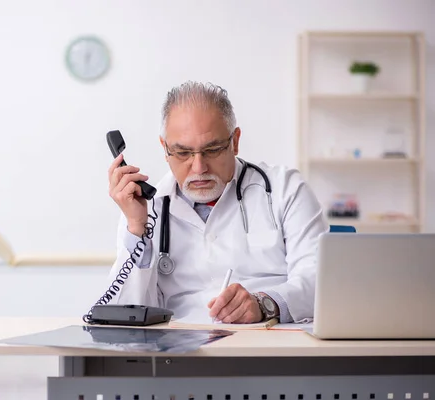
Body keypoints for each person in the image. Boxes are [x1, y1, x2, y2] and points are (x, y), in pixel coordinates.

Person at [106, 81, 329, 324]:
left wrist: (266, 302)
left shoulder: (285, 189)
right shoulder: (145, 209)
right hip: (179, 351)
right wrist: (137, 230)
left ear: (235, 141)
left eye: (212, 150)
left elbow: (320, 280)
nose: (199, 167)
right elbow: (125, 311)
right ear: (165, 148)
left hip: (270, 344)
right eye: (182, 153)